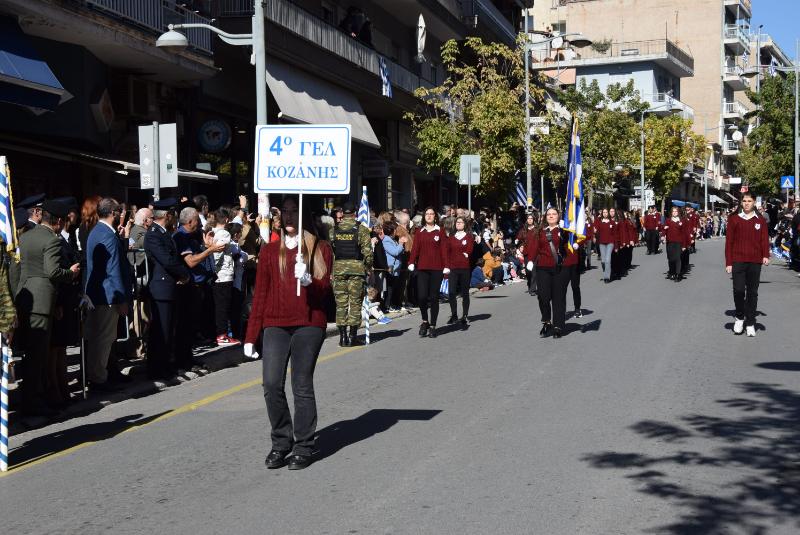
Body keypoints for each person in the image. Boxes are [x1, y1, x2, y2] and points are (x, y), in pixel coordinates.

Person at [243, 196, 333, 471]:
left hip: (309, 323)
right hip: (276, 324)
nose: (290, 216)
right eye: (285, 211)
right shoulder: (270, 251)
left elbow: (324, 290)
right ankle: (281, 442)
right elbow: (260, 295)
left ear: (304, 214)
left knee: (301, 383)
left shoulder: (320, 248)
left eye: (295, 211)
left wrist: (309, 281)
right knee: (271, 384)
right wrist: (250, 336)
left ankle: (303, 445)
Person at [14, 200, 80, 415]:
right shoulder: (51, 239)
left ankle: (33, 400)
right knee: (38, 357)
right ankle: (34, 403)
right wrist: (71, 273)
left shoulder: (25, 236)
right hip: (42, 302)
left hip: (25, 297)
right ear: (58, 221)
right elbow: (53, 271)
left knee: (31, 355)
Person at [84, 198, 132, 392]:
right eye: (119, 210)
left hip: (98, 294)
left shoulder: (97, 231)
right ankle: (98, 379)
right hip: (107, 295)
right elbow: (113, 270)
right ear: (113, 213)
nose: (121, 214)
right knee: (104, 339)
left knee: (100, 338)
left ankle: (101, 375)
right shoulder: (107, 235)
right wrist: (121, 299)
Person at [143, 199, 190, 379]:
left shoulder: (163, 233)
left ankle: (165, 365)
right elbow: (167, 260)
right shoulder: (154, 234)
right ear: (167, 216)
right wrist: (184, 274)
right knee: (160, 330)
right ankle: (157, 369)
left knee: (168, 328)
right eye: (173, 214)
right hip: (161, 286)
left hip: (168, 286)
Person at [173, 206, 224, 370]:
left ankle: (188, 358)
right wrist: (210, 250)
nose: (199, 223)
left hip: (198, 285)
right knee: (184, 326)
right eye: (197, 220)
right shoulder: (181, 236)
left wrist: (206, 245)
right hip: (188, 287)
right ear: (189, 221)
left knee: (192, 326)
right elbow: (191, 261)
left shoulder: (192, 236)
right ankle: (183, 361)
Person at [725, 192, 770, 337]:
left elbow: (764, 239)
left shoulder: (760, 220)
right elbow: (729, 242)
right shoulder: (734, 219)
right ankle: (739, 317)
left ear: (754, 202)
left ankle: (750, 322)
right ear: (741, 202)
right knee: (738, 290)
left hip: (755, 261)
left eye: (749, 201)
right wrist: (729, 262)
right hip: (738, 260)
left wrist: (765, 255)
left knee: (752, 293)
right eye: (744, 201)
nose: (746, 203)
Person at [525, 207, 573, 339]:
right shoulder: (540, 231)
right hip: (543, 267)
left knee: (558, 298)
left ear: (558, 216)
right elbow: (534, 247)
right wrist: (531, 260)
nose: (551, 216)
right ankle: (546, 321)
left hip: (560, 268)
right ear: (545, 217)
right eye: (549, 214)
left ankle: (558, 326)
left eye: (554, 214)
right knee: (543, 296)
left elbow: (570, 243)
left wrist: (566, 230)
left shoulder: (564, 230)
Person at [329, 202, 372, 347]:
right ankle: (352, 337)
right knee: (355, 303)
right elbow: (368, 253)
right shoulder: (361, 229)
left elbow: (331, 252)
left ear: (343, 213)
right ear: (355, 213)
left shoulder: (333, 230)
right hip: (356, 271)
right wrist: (368, 268)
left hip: (338, 270)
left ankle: (342, 338)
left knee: (341, 305)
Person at [408, 207, 447, 338]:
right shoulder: (420, 231)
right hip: (423, 268)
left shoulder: (440, 231)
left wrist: (446, 266)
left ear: (435, 217)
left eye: (432, 214)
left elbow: (444, 250)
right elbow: (415, 249)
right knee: (422, 297)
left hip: (437, 269)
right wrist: (411, 262)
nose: (429, 216)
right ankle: (425, 321)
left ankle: (433, 326)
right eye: (427, 214)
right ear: (424, 217)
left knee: (434, 297)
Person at [445, 215, 474, 329]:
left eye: (461, 222)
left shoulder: (468, 237)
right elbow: (447, 253)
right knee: (451, 292)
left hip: (464, 268)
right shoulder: (451, 238)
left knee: (465, 293)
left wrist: (467, 253)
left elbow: (470, 249)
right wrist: (446, 267)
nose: (459, 224)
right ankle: (454, 315)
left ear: (465, 224)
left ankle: (465, 315)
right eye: (457, 222)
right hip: (453, 268)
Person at [662, 206, 690, 281]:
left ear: (678, 212)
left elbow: (684, 233)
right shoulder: (668, 220)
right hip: (670, 242)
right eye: (673, 211)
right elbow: (664, 229)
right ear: (671, 212)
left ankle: (678, 274)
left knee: (677, 258)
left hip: (679, 242)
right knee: (671, 259)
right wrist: (663, 236)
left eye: (676, 211)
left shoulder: (682, 221)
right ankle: (672, 273)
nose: (674, 213)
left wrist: (684, 245)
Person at [595, 208, 616, 283]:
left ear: (608, 213)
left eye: (606, 212)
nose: (605, 213)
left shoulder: (612, 222)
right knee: (603, 261)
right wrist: (595, 231)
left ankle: (607, 277)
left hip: (610, 243)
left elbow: (615, 234)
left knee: (607, 260)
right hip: (602, 243)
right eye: (603, 212)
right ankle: (606, 271)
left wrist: (616, 245)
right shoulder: (599, 222)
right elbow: (596, 229)